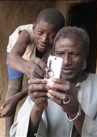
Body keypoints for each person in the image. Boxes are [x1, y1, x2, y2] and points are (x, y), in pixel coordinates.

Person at [10, 26, 97, 137]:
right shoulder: (42, 86)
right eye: (60, 53)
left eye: (74, 54)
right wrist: (37, 108)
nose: (66, 61)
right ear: (53, 55)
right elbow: (17, 134)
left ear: (85, 55)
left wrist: (75, 112)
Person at [0, 8, 65, 137]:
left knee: (34, 88)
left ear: (58, 35)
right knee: (13, 88)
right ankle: (8, 133)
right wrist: (26, 67)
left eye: (52, 36)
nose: (44, 39)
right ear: (34, 27)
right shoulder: (26, 33)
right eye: (40, 32)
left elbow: (41, 83)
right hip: (18, 57)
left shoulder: (56, 48)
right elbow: (11, 59)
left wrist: (19, 97)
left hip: (36, 62)